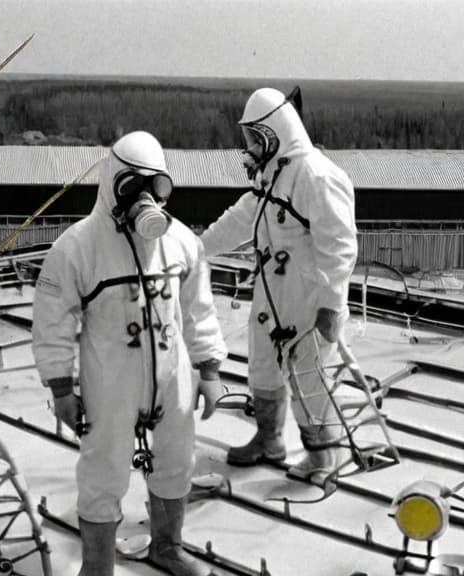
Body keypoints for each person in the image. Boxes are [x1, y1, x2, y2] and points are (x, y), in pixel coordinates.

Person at [32, 131, 227, 576]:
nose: (143, 199)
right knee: (103, 472)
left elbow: (199, 309)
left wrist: (210, 369)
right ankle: (97, 566)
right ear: (112, 184)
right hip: (110, 383)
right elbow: (53, 322)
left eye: (151, 187)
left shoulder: (180, 242)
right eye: (131, 187)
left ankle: (167, 547)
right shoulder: (78, 247)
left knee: (177, 461)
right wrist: (62, 387)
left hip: (172, 377)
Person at [200, 87, 358, 485]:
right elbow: (240, 220)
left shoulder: (316, 176)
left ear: (273, 132)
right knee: (263, 370)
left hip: (308, 301)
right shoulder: (273, 175)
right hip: (272, 297)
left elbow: (339, 247)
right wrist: (195, 250)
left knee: (310, 380)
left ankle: (323, 459)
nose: (250, 146)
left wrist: (331, 305)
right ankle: (269, 439)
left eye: (256, 137)